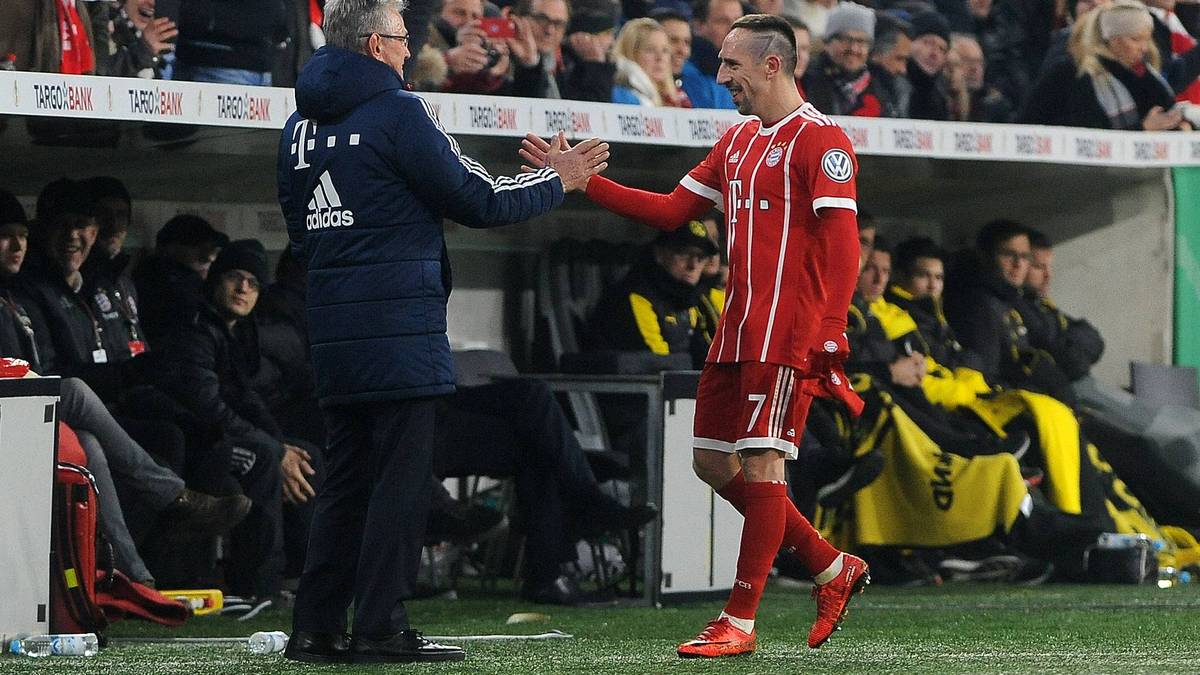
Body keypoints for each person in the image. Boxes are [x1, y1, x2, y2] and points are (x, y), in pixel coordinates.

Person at [522, 13, 867, 658]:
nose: (720, 75)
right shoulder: (736, 142)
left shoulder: (822, 140)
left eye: (732, 64)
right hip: (734, 328)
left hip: (785, 334)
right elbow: (669, 211)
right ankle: (829, 564)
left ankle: (739, 620)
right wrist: (584, 182)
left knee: (763, 465)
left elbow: (844, 243)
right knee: (711, 462)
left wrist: (829, 329)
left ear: (772, 65)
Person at [276, 0, 609, 664]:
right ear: (375, 45)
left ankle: (315, 627)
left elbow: (298, 228)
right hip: (401, 327)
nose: (409, 50)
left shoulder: (297, 126)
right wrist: (557, 180)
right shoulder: (402, 112)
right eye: (403, 38)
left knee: (345, 482)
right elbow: (478, 198)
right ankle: (380, 626)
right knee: (399, 484)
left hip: (334, 331)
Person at [588, 221, 719, 368]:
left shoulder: (690, 299)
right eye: (684, 254)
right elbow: (661, 365)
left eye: (700, 257)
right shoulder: (636, 296)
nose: (693, 265)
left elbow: (704, 355)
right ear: (660, 254)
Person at [133, 215, 229, 346]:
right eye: (198, 248)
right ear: (170, 248)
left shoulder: (198, 282)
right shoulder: (163, 283)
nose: (210, 258)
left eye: (212, 249)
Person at [612, 18, 693, 107]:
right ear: (631, 53)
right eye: (650, 50)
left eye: (665, 50)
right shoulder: (624, 97)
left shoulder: (679, 99)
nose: (660, 58)